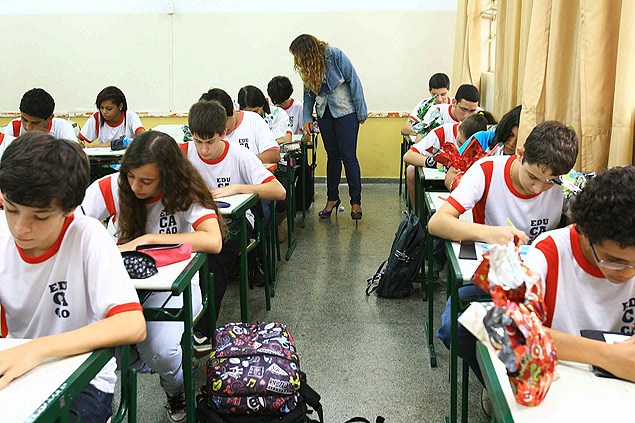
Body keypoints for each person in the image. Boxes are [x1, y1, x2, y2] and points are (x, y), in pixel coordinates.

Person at [0, 132, 146, 422]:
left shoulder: (87, 236)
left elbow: (132, 324)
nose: (21, 228)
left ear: (68, 209)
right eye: (11, 210)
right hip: (16, 367)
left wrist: (37, 349)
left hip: (84, 376)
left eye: (39, 217)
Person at [81, 131, 224, 422]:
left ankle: (176, 389)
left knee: (159, 350)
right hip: (122, 285)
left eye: (146, 181)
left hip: (173, 286)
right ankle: (149, 360)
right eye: (131, 176)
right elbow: (73, 223)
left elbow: (214, 240)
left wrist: (148, 239)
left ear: (168, 176)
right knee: (97, 347)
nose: (135, 187)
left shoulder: (185, 192)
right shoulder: (112, 187)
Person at [433, 121, 579, 386]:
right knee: (452, 330)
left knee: (540, 337)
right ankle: (495, 387)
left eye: (548, 183)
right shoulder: (487, 171)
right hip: (492, 279)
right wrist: (491, 233)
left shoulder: (562, 185)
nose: (538, 189)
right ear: (520, 154)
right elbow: (438, 223)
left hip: (536, 285)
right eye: (533, 177)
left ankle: (519, 382)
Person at [183, 100, 286, 350]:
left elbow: (278, 191)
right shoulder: (185, 153)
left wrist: (238, 188)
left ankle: (202, 330)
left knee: (213, 254)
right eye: (198, 141)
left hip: (235, 222)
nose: (204, 150)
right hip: (196, 222)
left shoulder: (240, 156)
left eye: (210, 142)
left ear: (224, 133)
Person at [524, 166, 635, 382]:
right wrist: (608, 355)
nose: (628, 273)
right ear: (583, 231)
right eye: (613, 261)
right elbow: (515, 330)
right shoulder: (550, 252)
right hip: (561, 382)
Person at [290, 34, 367, 221]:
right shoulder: (307, 67)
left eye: (298, 55)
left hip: (346, 112)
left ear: (307, 51)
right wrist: (307, 118)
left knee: (348, 157)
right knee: (332, 157)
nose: (297, 61)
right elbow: (308, 95)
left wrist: (361, 111)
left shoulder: (335, 55)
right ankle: (332, 199)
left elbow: (354, 81)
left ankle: (355, 202)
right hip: (325, 114)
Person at [403, 113, 489, 206]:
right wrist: (434, 163)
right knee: (411, 170)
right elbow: (408, 156)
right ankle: (419, 218)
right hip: (440, 182)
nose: (462, 149)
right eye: (460, 143)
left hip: (465, 187)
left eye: (469, 148)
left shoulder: (486, 146)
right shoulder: (443, 132)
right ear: (459, 127)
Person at [444, 105, 523, 190]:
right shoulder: (482, 140)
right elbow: (451, 174)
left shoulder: (525, 157)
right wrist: (465, 190)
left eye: (518, 139)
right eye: (510, 135)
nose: (511, 143)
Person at [200, 88, 280, 164]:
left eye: (225, 121)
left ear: (233, 110)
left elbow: (274, 155)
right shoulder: (205, 131)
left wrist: (242, 164)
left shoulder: (254, 120)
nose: (221, 128)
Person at [79, 86, 145, 147]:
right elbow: (79, 138)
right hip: (103, 159)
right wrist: (79, 143)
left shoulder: (131, 117)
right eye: (101, 108)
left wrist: (110, 144)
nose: (104, 112)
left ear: (120, 106)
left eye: (109, 109)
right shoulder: (97, 117)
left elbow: (143, 138)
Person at [3, 88, 76, 141]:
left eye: (35, 123)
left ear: (50, 118)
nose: (28, 127)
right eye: (24, 120)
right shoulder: (14, 127)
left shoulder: (62, 128)